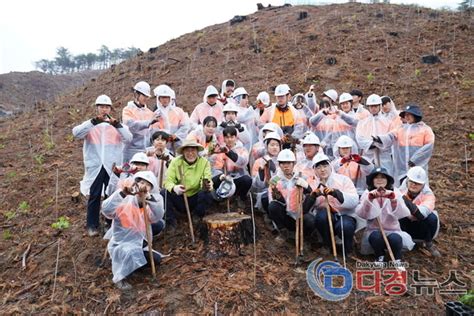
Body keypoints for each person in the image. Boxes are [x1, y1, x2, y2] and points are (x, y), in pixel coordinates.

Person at [72, 94, 132, 236]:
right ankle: (92, 225)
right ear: (97, 108)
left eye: (107, 107)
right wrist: (93, 122)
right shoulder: (91, 124)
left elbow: (128, 138)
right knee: (94, 195)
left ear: (110, 108)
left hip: (112, 166)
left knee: (111, 195)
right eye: (101, 107)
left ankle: (109, 223)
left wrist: (117, 125)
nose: (104, 110)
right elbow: (76, 133)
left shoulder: (116, 125)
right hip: (96, 166)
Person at [102, 171, 164, 290]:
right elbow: (106, 210)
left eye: (147, 184)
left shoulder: (149, 203)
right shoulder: (124, 201)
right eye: (140, 182)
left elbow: (158, 215)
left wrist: (148, 198)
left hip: (140, 242)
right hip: (121, 243)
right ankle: (121, 276)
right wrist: (123, 193)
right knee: (130, 253)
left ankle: (133, 265)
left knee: (156, 259)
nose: (142, 186)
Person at [303, 153, 363, 255]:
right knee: (321, 216)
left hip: (345, 215)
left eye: (325, 166)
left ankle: (347, 249)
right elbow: (305, 209)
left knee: (345, 226)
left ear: (330, 167)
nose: (322, 170)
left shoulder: (343, 180)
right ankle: (327, 244)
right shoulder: (312, 184)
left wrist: (336, 193)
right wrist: (313, 196)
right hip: (326, 218)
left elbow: (354, 200)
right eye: (318, 167)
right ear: (314, 170)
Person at [356, 167, 414, 270]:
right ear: (372, 180)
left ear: (387, 180)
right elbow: (362, 213)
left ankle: (397, 259)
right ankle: (379, 257)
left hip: (393, 229)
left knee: (395, 238)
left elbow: (403, 212)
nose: (379, 180)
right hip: (374, 229)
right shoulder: (367, 193)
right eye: (376, 178)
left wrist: (393, 201)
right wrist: (369, 200)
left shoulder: (396, 192)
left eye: (383, 177)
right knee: (375, 237)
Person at [378, 104, 435, 186]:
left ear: (415, 115)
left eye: (409, 114)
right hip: (402, 169)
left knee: (418, 189)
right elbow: (390, 136)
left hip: (418, 167)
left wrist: (415, 159)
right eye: (406, 115)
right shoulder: (401, 128)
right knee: (403, 191)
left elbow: (428, 147)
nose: (407, 117)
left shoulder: (425, 129)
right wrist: (380, 139)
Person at [163, 139, 214, 229]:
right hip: (180, 197)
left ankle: (197, 216)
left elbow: (207, 178)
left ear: (197, 151)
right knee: (164, 193)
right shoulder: (175, 162)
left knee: (207, 194)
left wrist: (207, 185)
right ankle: (171, 221)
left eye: (193, 150)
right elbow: (167, 181)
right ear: (183, 152)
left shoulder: (204, 162)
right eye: (187, 150)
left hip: (195, 197)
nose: (190, 153)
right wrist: (174, 188)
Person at [268, 149, 311, 241]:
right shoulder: (275, 180)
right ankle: (283, 232)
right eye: (283, 163)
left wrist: (307, 186)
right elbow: (272, 200)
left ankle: (305, 238)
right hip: (286, 215)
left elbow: (312, 195)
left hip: (300, 214)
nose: (286, 166)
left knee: (310, 220)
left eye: (289, 163)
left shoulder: (301, 177)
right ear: (279, 164)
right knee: (273, 206)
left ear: (293, 163)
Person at [399, 167, 441, 257]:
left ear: (423, 184)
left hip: (420, 224)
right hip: (405, 224)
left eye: (418, 183)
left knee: (432, 218)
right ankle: (401, 241)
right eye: (412, 181)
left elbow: (421, 214)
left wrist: (405, 201)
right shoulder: (401, 190)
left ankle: (428, 242)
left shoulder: (428, 195)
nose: (414, 185)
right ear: (407, 180)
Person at [212, 126, 252, 209]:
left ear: (236, 137)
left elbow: (243, 162)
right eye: (227, 137)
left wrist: (229, 153)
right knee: (215, 180)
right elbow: (216, 168)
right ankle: (222, 198)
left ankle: (240, 198)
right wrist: (221, 176)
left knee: (247, 180)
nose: (229, 139)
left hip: (238, 179)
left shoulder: (242, 149)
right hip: (225, 180)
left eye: (232, 137)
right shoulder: (220, 151)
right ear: (223, 138)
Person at [356, 94, 395, 174]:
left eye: (375, 106)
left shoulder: (388, 122)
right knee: (369, 178)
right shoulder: (363, 122)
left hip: (384, 156)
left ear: (380, 106)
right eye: (371, 106)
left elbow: (391, 137)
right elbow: (359, 137)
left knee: (386, 176)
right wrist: (371, 144)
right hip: (369, 155)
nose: (373, 108)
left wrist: (381, 141)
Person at [122, 81, 159, 163]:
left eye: (147, 96)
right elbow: (130, 125)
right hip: (130, 151)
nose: (145, 98)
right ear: (136, 94)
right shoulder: (127, 110)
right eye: (144, 95)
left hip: (145, 151)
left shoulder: (150, 113)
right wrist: (148, 122)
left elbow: (152, 133)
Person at [259, 84, 305, 150]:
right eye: (278, 97)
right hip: (274, 143)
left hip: (290, 143)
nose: (280, 99)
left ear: (287, 96)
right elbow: (261, 125)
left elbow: (299, 127)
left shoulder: (294, 111)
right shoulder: (269, 110)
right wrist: (271, 134)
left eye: (282, 97)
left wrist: (292, 137)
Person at [151, 84, 190, 154]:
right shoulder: (155, 114)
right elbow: (153, 131)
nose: (165, 100)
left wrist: (176, 136)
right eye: (162, 97)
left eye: (167, 97)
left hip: (177, 144)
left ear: (170, 98)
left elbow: (185, 126)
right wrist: (164, 136)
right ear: (159, 99)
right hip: (162, 147)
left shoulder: (178, 111)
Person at [251, 132, 282, 214]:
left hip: (282, 190)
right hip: (265, 192)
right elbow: (255, 186)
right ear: (266, 146)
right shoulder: (260, 162)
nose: (275, 147)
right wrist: (261, 175)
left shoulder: (283, 161)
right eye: (272, 145)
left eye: (277, 145)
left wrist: (275, 171)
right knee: (265, 197)